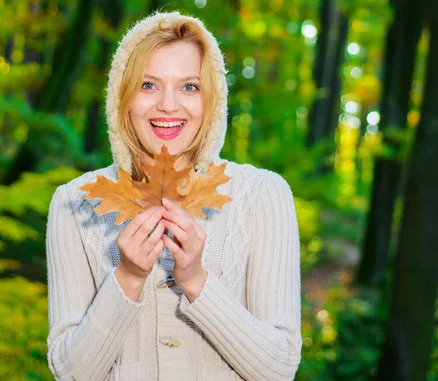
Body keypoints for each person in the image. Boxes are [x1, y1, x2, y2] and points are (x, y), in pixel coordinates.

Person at [46, 10, 302, 381]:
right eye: (148, 85)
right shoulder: (75, 202)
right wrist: (128, 278)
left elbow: (278, 370)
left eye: (190, 87)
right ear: (123, 96)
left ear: (212, 99)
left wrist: (197, 280)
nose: (168, 105)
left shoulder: (262, 195)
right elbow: (69, 373)